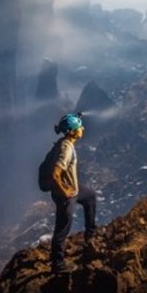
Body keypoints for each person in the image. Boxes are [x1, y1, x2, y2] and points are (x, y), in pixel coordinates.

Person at [49, 112, 97, 273]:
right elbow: (55, 174)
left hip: (74, 189)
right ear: (72, 131)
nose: (82, 128)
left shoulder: (66, 142)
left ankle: (90, 235)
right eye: (79, 126)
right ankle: (58, 265)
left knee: (90, 196)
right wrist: (65, 192)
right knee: (62, 228)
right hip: (65, 195)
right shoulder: (66, 148)